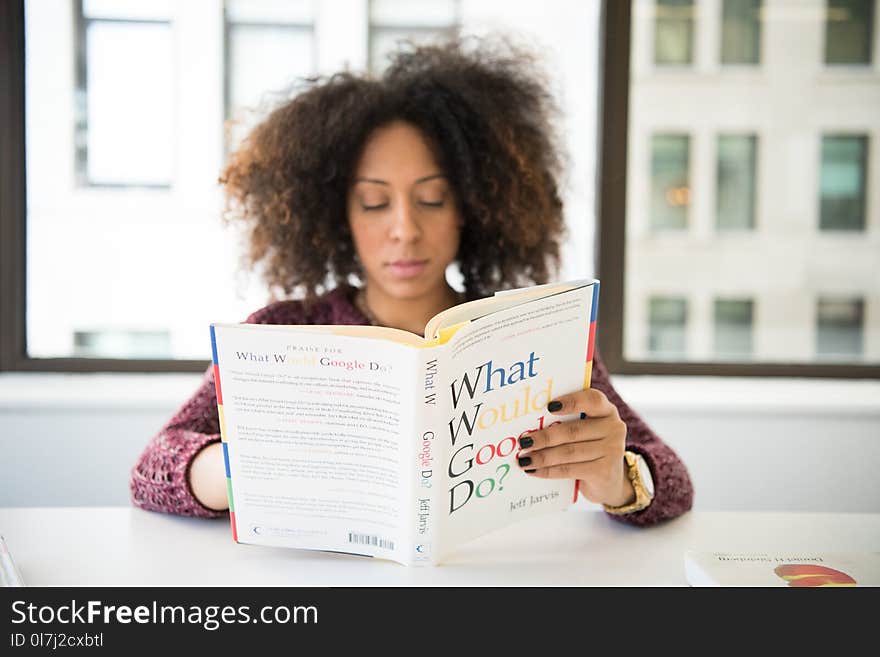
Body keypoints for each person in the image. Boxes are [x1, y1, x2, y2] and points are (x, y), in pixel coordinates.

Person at [130, 37, 693, 528]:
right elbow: (153, 467)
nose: (405, 229)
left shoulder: (530, 335)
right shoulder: (281, 331)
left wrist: (615, 476)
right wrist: (242, 471)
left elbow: (672, 480)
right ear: (336, 215)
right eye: (374, 202)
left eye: (432, 199)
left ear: (471, 207)